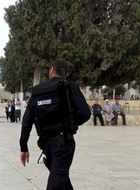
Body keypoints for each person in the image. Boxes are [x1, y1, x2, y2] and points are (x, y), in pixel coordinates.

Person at [20, 58, 90, 190]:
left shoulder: (37, 91)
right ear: (65, 73)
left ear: (52, 69)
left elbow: (26, 122)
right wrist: (70, 124)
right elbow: (85, 114)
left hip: (46, 144)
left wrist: (23, 147)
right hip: (63, 144)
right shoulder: (70, 87)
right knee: (57, 182)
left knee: (60, 179)